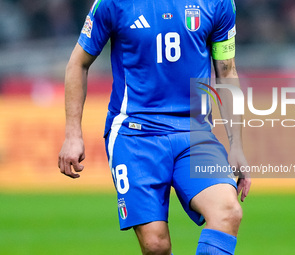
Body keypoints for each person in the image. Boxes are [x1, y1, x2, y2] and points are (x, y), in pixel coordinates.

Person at [58, 0, 251, 254]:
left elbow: (227, 71)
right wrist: (73, 135)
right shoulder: (112, 3)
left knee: (228, 211)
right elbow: (78, 63)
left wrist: (237, 145)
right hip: (135, 134)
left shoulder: (218, 3)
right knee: (155, 245)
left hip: (195, 134)